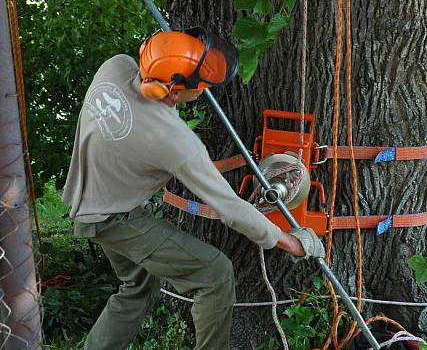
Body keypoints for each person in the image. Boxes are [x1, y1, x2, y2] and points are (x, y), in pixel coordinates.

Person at [63, 28, 325, 350]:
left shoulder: (114, 68)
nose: (203, 90)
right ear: (172, 91)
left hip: (87, 198)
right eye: (199, 85)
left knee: (137, 285)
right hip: (114, 217)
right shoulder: (174, 142)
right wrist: (290, 243)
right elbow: (230, 207)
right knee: (215, 274)